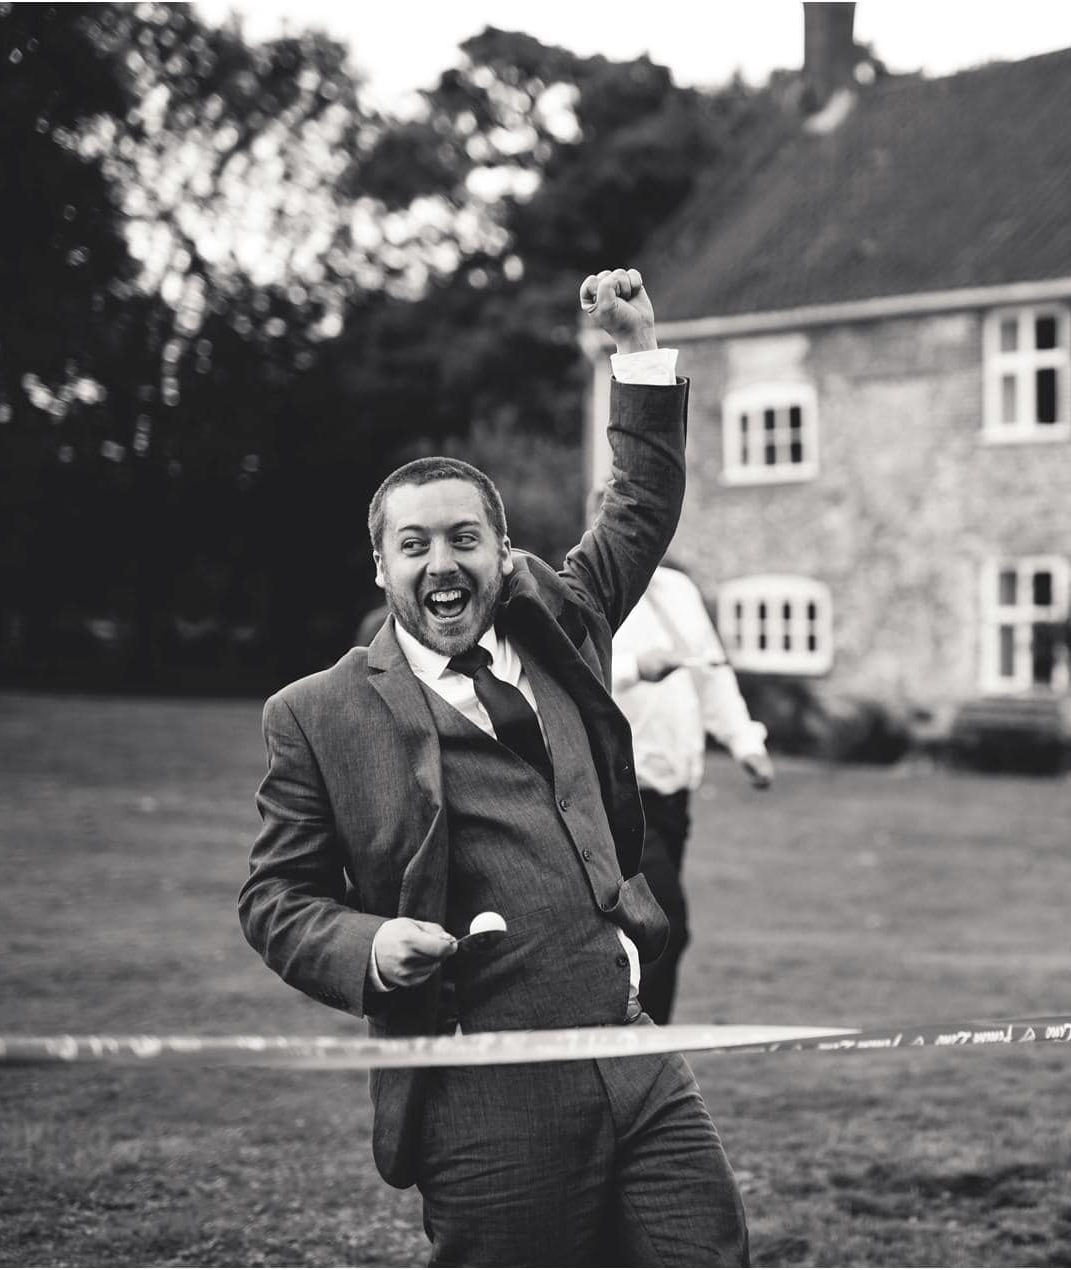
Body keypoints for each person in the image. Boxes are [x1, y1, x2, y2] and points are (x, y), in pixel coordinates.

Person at [238, 268, 749, 1266]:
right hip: (486, 1084)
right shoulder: (316, 714)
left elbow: (638, 506)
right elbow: (276, 898)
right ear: (380, 569)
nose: (443, 563)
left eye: (465, 538)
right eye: (414, 544)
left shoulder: (562, 617)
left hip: (630, 1041)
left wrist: (635, 355)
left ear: (502, 550)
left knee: (709, 1252)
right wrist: (372, 945)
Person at [610, 564, 774, 1023]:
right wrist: (634, 668)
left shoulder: (677, 589)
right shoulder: (580, 587)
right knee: (665, 930)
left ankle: (635, 1054)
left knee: (639, 938)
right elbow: (559, 674)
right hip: (617, 802)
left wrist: (745, 742)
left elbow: (711, 673)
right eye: (603, 491)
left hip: (674, 801)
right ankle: (648, 1055)